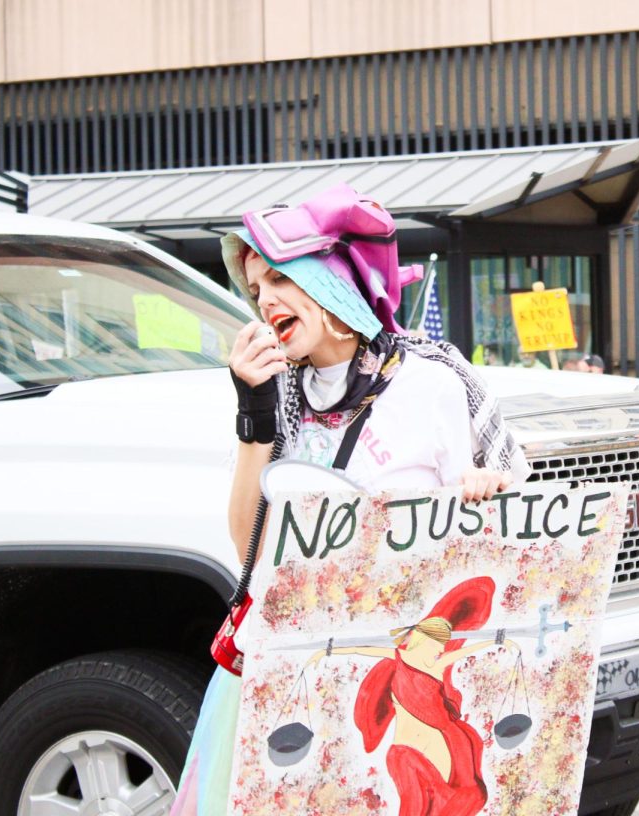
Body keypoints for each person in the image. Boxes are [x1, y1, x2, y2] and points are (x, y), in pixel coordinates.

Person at [172, 184, 529, 814]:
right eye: (256, 290)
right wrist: (252, 413)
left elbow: (494, 531)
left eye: (280, 278)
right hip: (300, 667)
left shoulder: (431, 379)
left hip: (403, 675)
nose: (265, 300)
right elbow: (246, 546)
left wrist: (483, 489)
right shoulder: (278, 394)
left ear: (333, 279)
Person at [307, 577, 518, 816]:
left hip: (434, 742)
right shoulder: (400, 658)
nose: (441, 649)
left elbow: (467, 650)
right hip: (405, 750)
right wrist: (327, 651)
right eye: (438, 644)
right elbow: (360, 649)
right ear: (425, 640)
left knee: (454, 795)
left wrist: (498, 641)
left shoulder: (436, 665)